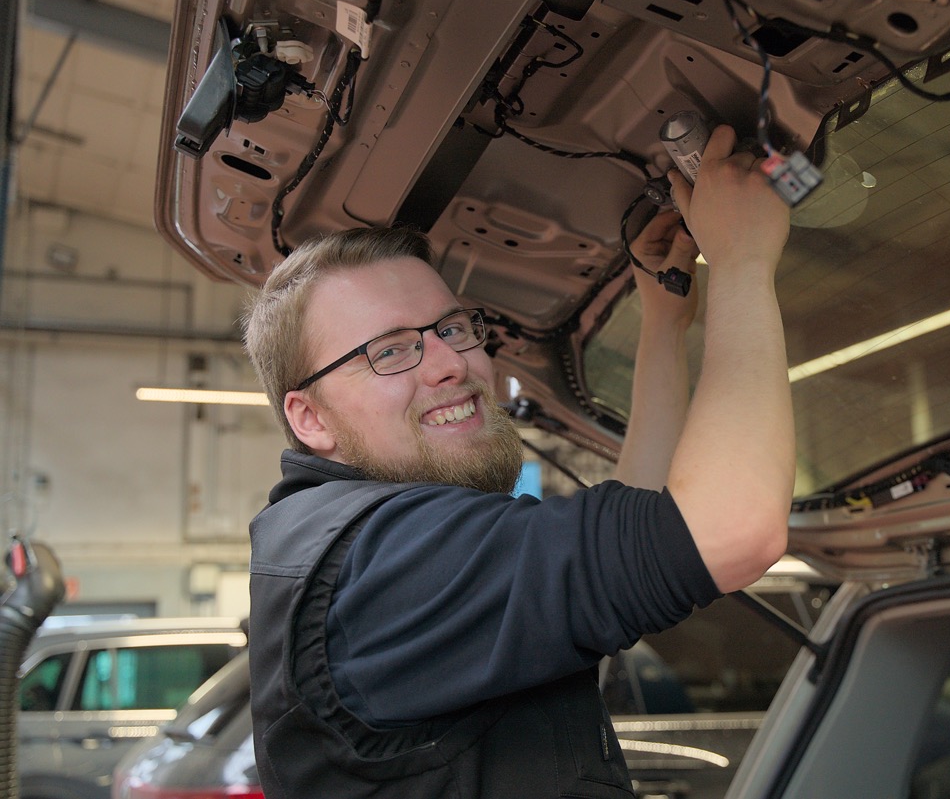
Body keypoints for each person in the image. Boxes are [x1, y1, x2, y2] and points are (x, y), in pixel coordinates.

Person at [242, 125, 794, 798]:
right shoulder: (386, 558)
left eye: (450, 328)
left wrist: (663, 322)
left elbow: (649, 536)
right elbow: (732, 529)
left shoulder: (334, 544)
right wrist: (740, 261)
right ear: (310, 417)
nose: (451, 363)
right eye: (388, 351)